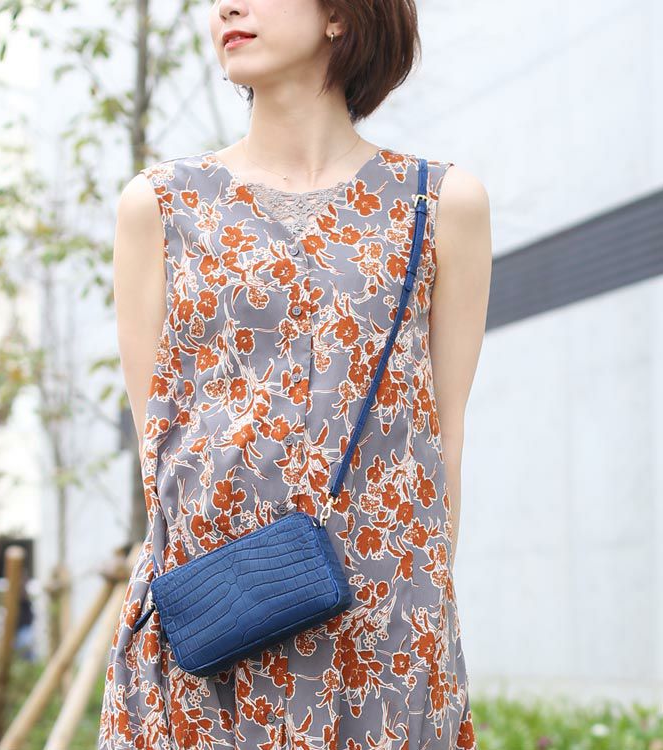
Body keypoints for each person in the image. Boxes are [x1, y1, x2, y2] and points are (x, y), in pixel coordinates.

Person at [100, 0, 491, 747]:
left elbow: (443, 437)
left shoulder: (439, 205)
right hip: (216, 629)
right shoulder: (161, 206)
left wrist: (427, 621)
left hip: (382, 628)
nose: (227, 7)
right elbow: (160, 446)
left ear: (340, 15)